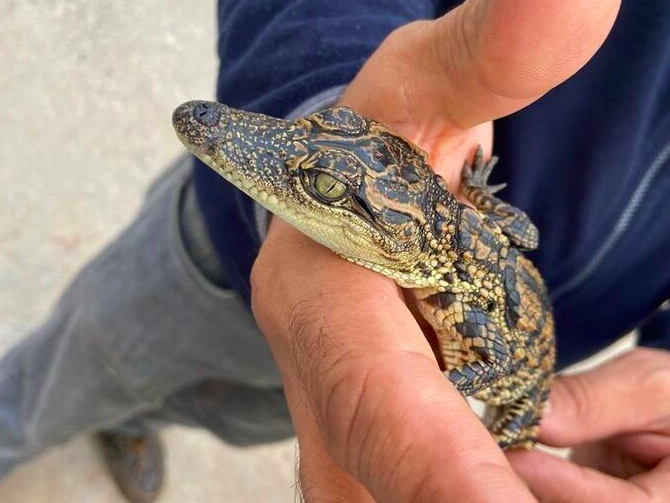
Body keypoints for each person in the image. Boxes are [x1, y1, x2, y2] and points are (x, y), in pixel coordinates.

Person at [1, 0, 669, 502]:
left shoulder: (445, 287)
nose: (224, 134)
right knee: (87, 359)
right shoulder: (431, 250)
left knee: (235, 412)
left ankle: (131, 417)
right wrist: (326, 93)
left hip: (507, 364)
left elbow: (498, 341)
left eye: (317, 182)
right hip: (219, 251)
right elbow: (514, 235)